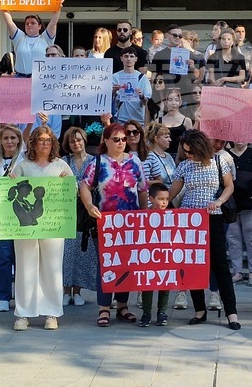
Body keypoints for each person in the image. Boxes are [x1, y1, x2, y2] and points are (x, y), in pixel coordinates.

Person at [78, 122, 149, 328]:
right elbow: (85, 184)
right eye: (116, 139)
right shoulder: (98, 162)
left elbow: (143, 189)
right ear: (106, 141)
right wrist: (90, 205)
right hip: (105, 223)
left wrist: (144, 215)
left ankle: (123, 306)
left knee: (126, 264)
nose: (121, 143)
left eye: (124, 139)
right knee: (106, 265)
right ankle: (103, 308)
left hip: (130, 223)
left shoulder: (135, 162)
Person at [168, 130, 241, 329]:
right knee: (193, 265)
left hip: (213, 218)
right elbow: (172, 192)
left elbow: (229, 187)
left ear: (200, 148)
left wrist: (219, 201)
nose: (187, 155)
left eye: (190, 151)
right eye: (185, 152)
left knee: (221, 267)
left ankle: (231, 313)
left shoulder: (219, 162)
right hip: (189, 220)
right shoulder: (184, 166)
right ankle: (199, 310)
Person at [9, 127, 73, 331]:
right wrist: (10, 181)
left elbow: (73, 191)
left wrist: (67, 182)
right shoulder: (23, 166)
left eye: (48, 140)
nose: (45, 143)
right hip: (25, 226)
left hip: (53, 224)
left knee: (52, 267)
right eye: (41, 140)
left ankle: (52, 312)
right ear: (33, 143)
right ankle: (23, 313)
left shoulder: (61, 165)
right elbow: (9, 190)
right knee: (25, 266)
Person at [0, 125, 23, 313]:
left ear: (18, 140)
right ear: (0, 141)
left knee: (22, 257)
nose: (9, 141)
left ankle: (22, 294)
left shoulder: (25, 160)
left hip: (22, 215)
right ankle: (4, 297)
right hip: (2, 214)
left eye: (13, 138)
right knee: (3, 256)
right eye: (6, 138)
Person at [60, 126, 95, 307]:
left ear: (84, 140)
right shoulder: (64, 161)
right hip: (66, 211)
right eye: (72, 141)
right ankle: (66, 291)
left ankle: (78, 291)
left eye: (79, 139)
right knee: (67, 251)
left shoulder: (94, 161)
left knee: (83, 251)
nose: (76, 143)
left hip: (86, 213)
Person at [225, 140, 252, 286]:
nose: (240, 139)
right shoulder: (226, 155)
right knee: (233, 240)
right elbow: (224, 177)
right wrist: (251, 176)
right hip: (231, 204)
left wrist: (239, 177)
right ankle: (237, 272)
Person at [1, 0, 64, 77]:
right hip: (20, 77)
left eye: (33, 23)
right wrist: (3, 3)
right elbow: (9, 22)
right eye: (27, 23)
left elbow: (53, 23)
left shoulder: (45, 38)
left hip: (41, 77)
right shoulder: (19, 38)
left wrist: (59, 4)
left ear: (39, 26)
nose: (29, 25)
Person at [138, 184, 174, 327]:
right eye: (161, 199)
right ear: (151, 199)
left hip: (166, 255)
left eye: (166, 199)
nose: (164, 202)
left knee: (165, 283)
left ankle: (162, 312)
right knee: (148, 284)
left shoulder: (173, 215)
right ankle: (146, 312)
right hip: (148, 255)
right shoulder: (144, 215)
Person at [112, 48, 151, 124]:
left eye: (131, 56)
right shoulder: (114, 77)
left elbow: (147, 102)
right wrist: (113, 91)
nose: (128, 59)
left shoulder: (143, 78)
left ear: (136, 59)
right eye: (126, 56)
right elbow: (107, 99)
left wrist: (141, 96)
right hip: (120, 119)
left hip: (138, 119)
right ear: (121, 58)